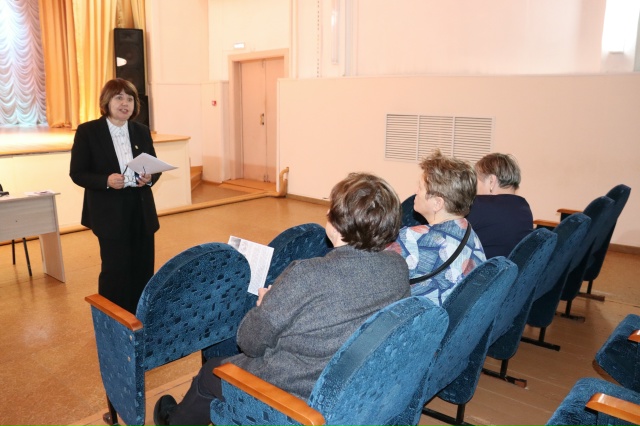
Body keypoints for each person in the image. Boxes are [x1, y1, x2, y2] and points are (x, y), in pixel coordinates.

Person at [153, 172, 411, 426]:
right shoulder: (397, 267)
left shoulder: (307, 274)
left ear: (338, 223)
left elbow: (250, 343)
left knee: (210, 372)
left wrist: (267, 305)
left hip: (296, 394)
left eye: (332, 209)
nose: (326, 213)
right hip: (356, 384)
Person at [69, 78, 161, 314]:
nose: (125, 103)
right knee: (115, 270)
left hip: (140, 208)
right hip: (109, 210)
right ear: (106, 102)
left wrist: (149, 178)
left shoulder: (141, 131)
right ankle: (112, 320)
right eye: (119, 97)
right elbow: (77, 173)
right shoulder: (88, 131)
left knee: (143, 267)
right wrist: (106, 181)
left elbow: (154, 167)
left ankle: (140, 317)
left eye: (130, 99)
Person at [387, 150, 486, 306]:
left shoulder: (410, 238)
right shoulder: (469, 231)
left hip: (421, 317)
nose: (415, 192)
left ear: (437, 203)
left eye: (420, 188)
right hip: (454, 316)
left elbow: (373, 278)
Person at [466, 153, 533, 259]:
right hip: (510, 267)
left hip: (483, 267)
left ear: (491, 181)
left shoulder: (480, 205)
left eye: (476, 181)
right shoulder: (523, 206)